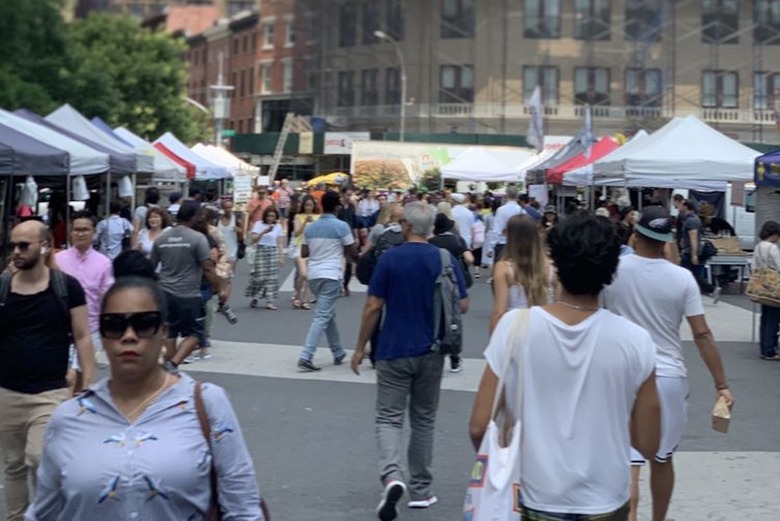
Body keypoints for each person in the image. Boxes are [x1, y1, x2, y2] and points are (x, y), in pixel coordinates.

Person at [24, 275, 266, 520]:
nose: (129, 336)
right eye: (115, 325)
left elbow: (243, 508)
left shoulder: (207, 404)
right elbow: (44, 512)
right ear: (104, 337)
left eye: (144, 323)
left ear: (164, 332)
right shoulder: (69, 418)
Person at [470, 211, 661, 520]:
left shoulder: (513, 327)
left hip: (534, 496)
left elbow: (479, 424)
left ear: (556, 263)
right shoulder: (636, 340)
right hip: (606, 498)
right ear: (613, 269)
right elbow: (648, 442)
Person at [603, 205, 734, 521]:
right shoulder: (682, 279)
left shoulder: (613, 271)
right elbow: (701, 333)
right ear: (667, 240)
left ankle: (628, 516)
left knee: (628, 460)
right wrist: (721, 384)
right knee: (662, 458)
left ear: (635, 234)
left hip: (622, 372)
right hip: (668, 376)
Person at [351, 202, 468, 520]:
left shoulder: (390, 258)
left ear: (406, 226)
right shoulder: (444, 258)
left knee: (389, 418)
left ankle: (392, 476)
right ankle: (421, 490)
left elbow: (373, 305)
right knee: (424, 419)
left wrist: (360, 347)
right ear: (430, 227)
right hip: (431, 349)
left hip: (392, 348)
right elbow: (464, 304)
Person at [0, 220, 96, 521]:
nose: (16, 251)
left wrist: (87, 385)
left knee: (39, 458)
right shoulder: (2, 288)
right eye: (12, 245)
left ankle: (43, 515)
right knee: (13, 463)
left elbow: (82, 336)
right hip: (7, 391)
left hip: (51, 390)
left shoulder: (65, 288)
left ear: (43, 247)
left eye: (23, 245)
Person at [149, 200, 225, 368]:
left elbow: (151, 267)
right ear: (194, 217)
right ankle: (173, 364)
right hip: (188, 294)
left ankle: (169, 367)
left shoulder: (162, 238)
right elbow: (208, 267)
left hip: (165, 293)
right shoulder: (198, 239)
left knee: (170, 332)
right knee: (197, 333)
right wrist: (219, 289)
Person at [297, 191, 358, 372]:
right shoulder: (342, 226)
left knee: (327, 314)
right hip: (331, 274)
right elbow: (352, 251)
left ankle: (338, 351)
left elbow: (304, 253)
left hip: (314, 275)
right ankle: (306, 355)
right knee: (323, 316)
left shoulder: (311, 227)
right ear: (338, 206)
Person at [55, 210, 114, 375]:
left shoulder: (104, 263)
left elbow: (107, 298)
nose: (80, 233)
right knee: (66, 376)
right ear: (70, 232)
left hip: (91, 328)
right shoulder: (58, 260)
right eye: (76, 229)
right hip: (62, 328)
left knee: (83, 375)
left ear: (94, 232)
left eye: (85, 230)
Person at [489, 214, 552, 334]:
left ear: (509, 236)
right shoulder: (550, 266)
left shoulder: (503, 267)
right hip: (544, 330)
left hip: (515, 330)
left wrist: (494, 340)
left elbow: (499, 311)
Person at [428, 212, 473, 373]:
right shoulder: (457, 240)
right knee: (453, 319)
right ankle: (454, 358)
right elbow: (470, 258)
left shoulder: (430, 242)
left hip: (435, 281)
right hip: (453, 280)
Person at [677, 200, 718, 299]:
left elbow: (693, 238)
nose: (679, 207)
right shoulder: (690, 219)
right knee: (692, 274)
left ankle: (711, 289)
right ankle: (710, 289)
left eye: (681, 205)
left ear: (686, 207)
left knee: (687, 274)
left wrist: (694, 254)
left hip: (689, 251)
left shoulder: (691, 220)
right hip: (688, 250)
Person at [246, 206, 285, 310]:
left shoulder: (278, 227)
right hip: (261, 250)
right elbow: (253, 239)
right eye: (268, 215)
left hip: (272, 251)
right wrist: (264, 231)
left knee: (272, 278)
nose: (270, 218)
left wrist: (281, 257)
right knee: (260, 277)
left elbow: (280, 243)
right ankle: (255, 297)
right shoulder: (259, 224)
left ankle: (270, 301)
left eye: (272, 216)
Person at [753, 220, 780, 360]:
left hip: (762, 286)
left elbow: (755, 266)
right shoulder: (772, 248)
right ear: (774, 234)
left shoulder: (758, 247)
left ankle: (764, 347)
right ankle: (770, 350)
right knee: (774, 319)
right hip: (775, 287)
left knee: (765, 317)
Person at [292, 195, 319, 310]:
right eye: (307, 205)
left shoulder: (318, 217)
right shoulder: (298, 216)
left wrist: (313, 222)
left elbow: (319, 233)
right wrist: (305, 222)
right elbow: (296, 233)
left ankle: (306, 299)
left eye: (311, 205)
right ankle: (297, 296)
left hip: (313, 248)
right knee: (303, 274)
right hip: (299, 246)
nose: (309, 208)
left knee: (309, 275)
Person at [485, 185, 524, 263]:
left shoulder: (501, 210)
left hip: (502, 244)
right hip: (517, 244)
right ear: (517, 195)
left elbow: (496, 229)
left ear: (506, 195)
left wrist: (490, 247)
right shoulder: (521, 211)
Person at [338, 187, 358, 297]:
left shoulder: (351, 206)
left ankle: (346, 284)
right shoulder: (337, 206)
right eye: (347, 195)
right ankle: (338, 285)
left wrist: (356, 237)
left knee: (349, 261)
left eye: (350, 195)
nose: (349, 197)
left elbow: (354, 222)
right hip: (338, 236)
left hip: (349, 235)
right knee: (337, 261)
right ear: (342, 194)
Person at [217, 197, 242, 276]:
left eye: (230, 207)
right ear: (223, 208)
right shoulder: (218, 219)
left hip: (232, 251)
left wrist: (239, 231)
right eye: (226, 208)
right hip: (220, 253)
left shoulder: (236, 219)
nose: (229, 209)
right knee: (221, 276)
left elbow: (241, 237)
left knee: (229, 276)